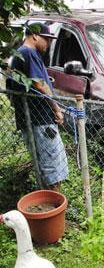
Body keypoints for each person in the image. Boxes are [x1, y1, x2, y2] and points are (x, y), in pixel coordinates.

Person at [6, 22, 69, 192]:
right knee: (53, 166)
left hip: (31, 119)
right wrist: (56, 108)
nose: (48, 44)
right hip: (40, 120)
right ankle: (56, 208)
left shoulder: (18, 54)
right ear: (35, 36)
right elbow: (39, 84)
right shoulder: (28, 52)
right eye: (46, 39)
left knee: (44, 165)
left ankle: (49, 205)